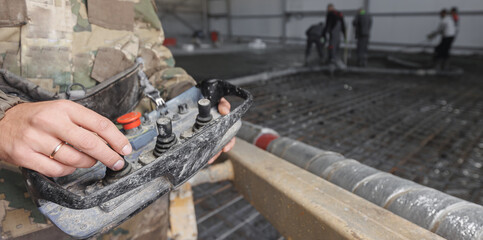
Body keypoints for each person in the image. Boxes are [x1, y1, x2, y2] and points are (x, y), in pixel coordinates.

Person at [0, 0, 234, 239]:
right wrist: (5, 119)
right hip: (21, 217)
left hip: (140, 197)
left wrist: (188, 100)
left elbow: (152, 61)